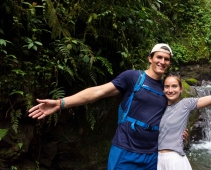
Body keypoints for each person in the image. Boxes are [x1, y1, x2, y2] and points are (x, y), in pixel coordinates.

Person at [28, 43, 179, 170]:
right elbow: (98, 92)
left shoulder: (167, 89)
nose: (162, 61)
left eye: (166, 59)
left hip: (152, 155)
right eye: (159, 57)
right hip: (126, 150)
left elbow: (166, 119)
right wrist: (61, 103)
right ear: (150, 58)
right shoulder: (133, 77)